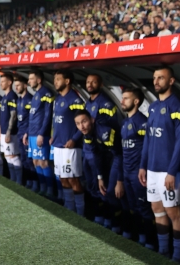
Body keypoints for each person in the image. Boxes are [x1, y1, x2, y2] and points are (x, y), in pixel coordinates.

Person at [139, 67, 180, 260]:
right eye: (154, 78)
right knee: (157, 211)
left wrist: (172, 171)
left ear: (171, 81)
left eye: (161, 78)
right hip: (152, 170)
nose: (156, 81)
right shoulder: (152, 107)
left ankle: (178, 255)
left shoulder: (177, 107)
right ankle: (163, 251)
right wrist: (143, 165)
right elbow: (148, 139)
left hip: (168, 172)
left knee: (174, 213)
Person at [84, 73, 123, 227]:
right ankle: (99, 216)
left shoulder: (106, 104)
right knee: (93, 186)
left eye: (93, 82)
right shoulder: (87, 103)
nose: (90, 84)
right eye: (88, 82)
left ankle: (111, 221)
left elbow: (112, 130)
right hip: (90, 150)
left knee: (106, 189)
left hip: (105, 154)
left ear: (100, 85)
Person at [119, 87, 156, 250]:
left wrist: (144, 168)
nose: (122, 101)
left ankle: (151, 243)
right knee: (133, 207)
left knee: (144, 209)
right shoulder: (125, 122)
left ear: (136, 101)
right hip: (127, 172)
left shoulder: (142, 122)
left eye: (126, 98)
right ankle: (140, 238)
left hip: (138, 173)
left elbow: (149, 147)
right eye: (122, 98)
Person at [49, 70, 85, 214]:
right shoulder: (58, 98)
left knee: (73, 180)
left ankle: (80, 213)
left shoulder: (75, 100)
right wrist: (53, 136)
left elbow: (84, 124)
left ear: (67, 81)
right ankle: (69, 208)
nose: (55, 82)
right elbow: (57, 121)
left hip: (70, 148)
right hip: (58, 145)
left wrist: (74, 139)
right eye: (54, 79)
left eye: (58, 79)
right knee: (63, 178)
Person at [23, 70, 55, 196]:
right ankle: (43, 188)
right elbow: (32, 116)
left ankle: (51, 190)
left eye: (31, 78)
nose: (29, 81)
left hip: (41, 134)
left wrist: (42, 133)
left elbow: (48, 115)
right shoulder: (36, 94)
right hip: (32, 133)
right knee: (35, 162)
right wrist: (27, 132)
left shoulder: (46, 93)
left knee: (43, 162)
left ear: (39, 80)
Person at [0, 74, 20, 184]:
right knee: (7, 156)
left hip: (11, 132)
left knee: (12, 156)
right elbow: (3, 116)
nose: (1, 83)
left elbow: (13, 115)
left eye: (3, 81)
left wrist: (9, 131)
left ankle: (19, 181)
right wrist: (0, 129)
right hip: (4, 131)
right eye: (1, 81)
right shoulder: (4, 97)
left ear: (10, 83)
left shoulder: (12, 96)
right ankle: (13, 179)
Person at [14, 76, 34, 188]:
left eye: (18, 85)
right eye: (15, 85)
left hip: (27, 134)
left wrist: (27, 132)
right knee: (23, 159)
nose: (16, 87)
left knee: (29, 160)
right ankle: (28, 182)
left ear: (25, 86)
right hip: (20, 133)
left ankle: (35, 184)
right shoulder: (19, 100)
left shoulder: (30, 99)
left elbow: (32, 119)